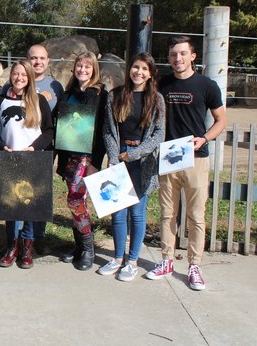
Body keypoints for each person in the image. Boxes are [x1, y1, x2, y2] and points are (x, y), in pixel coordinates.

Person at [147, 36, 226, 291]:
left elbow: (220, 121)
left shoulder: (207, 85)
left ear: (193, 56)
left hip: (196, 159)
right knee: (168, 214)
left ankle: (194, 266)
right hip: (169, 157)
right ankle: (167, 260)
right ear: (168, 58)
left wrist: (204, 139)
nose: (177, 58)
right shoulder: (161, 84)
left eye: (182, 53)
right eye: (172, 54)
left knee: (195, 216)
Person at [101, 52, 165, 281]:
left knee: (137, 214)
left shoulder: (156, 99)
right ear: (130, 69)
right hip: (119, 159)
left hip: (142, 162)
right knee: (118, 213)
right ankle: (117, 258)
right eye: (136, 67)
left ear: (150, 74)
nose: (139, 72)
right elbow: (108, 130)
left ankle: (132, 261)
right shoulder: (115, 95)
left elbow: (159, 134)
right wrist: (115, 157)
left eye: (144, 69)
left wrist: (135, 154)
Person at [0, 60, 53, 269]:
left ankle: (27, 245)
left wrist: (35, 147)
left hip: (32, 158)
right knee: (11, 205)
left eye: (23, 75)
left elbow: (49, 130)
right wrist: (3, 147)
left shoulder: (38, 101)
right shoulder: (0, 100)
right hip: (9, 158)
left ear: (29, 78)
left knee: (30, 206)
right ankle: (12, 245)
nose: (19, 78)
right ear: (11, 75)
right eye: (15, 74)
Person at [57, 51, 106, 270]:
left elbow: (103, 131)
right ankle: (78, 246)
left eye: (87, 67)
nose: (82, 70)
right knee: (76, 203)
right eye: (79, 66)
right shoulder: (68, 95)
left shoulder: (100, 94)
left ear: (94, 69)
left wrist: (95, 161)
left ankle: (88, 248)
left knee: (75, 201)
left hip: (86, 159)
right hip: (69, 157)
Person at [27, 45, 64, 254]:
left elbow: (62, 118)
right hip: (20, 149)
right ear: (27, 59)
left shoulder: (55, 87)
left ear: (48, 61)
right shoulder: (18, 80)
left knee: (41, 194)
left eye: (41, 58)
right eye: (33, 58)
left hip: (45, 148)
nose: (38, 62)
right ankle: (21, 237)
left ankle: (38, 237)